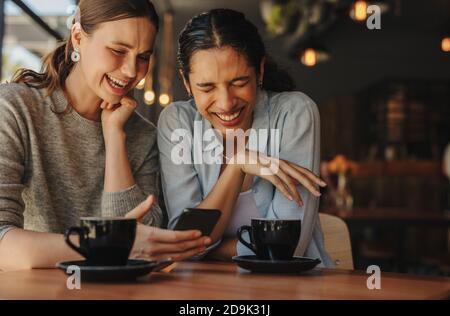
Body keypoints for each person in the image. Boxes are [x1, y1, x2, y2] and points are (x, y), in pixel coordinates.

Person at [0, 0, 210, 272]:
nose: (132, 71)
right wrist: (105, 245)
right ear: (78, 38)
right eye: (118, 50)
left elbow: (145, 248)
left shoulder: (143, 135)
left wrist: (114, 137)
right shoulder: (16, 108)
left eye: (143, 57)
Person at [158, 9, 333, 266]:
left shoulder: (294, 113)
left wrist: (210, 249)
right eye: (206, 87)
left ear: (259, 71)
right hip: (202, 293)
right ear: (186, 82)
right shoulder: (177, 122)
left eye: (239, 82)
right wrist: (237, 166)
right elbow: (186, 242)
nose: (226, 103)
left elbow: (286, 247)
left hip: (288, 288)